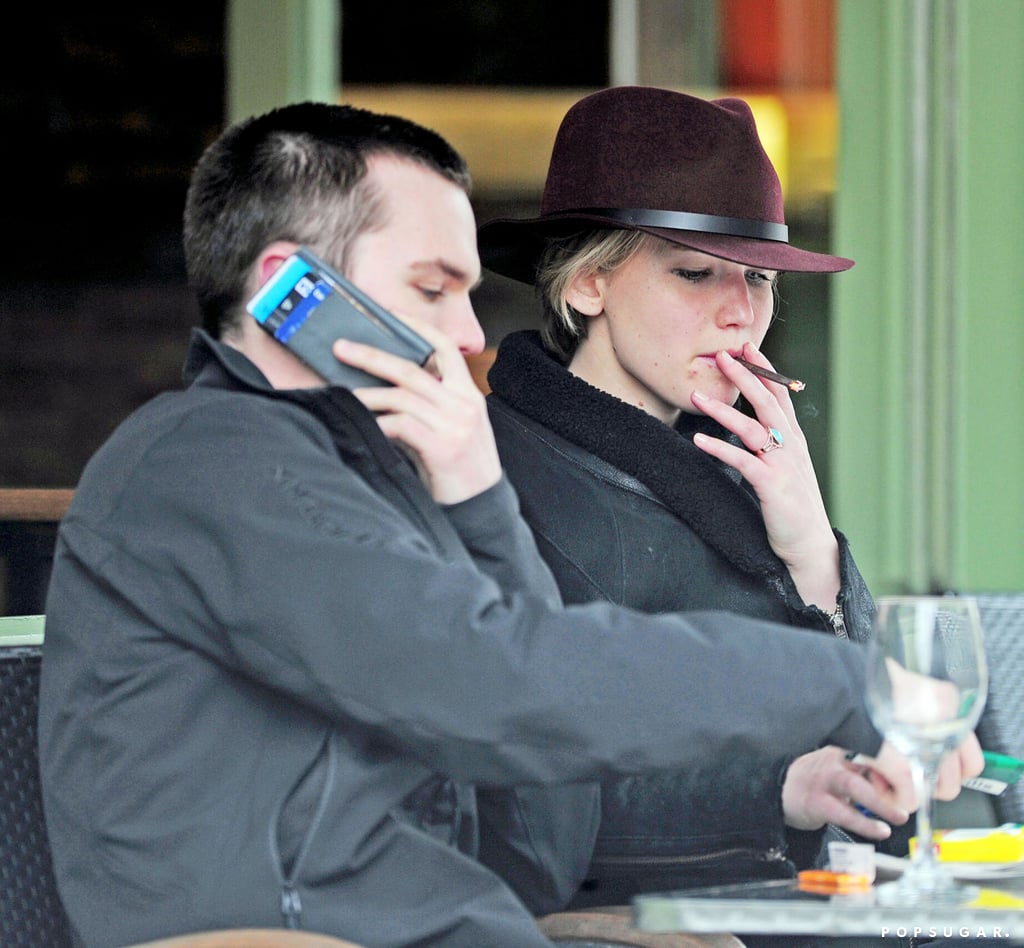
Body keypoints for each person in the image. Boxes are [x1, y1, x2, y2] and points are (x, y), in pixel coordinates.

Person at [38, 100, 977, 948]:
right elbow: (506, 682)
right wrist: (845, 681)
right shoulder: (215, 462)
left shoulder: (354, 474)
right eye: (433, 288)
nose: (472, 335)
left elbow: (534, 836)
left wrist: (476, 496)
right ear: (294, 292)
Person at [477, 85, 914, 912]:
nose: (741, 314)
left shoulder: (745, 476)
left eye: (758, 277)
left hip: (794, 909)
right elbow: (514, 799)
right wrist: (775, 792)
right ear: (587, 286)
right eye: (694, 272)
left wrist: (814, 549)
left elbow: (875, 750)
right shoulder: (486, 478)